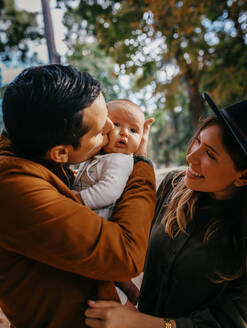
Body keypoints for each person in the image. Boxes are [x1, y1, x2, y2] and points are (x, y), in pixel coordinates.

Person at [0, 64, 156, 328]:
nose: (110, 129)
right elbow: (126, 255)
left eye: (106, 115)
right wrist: (138, 162)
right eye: (98, 132)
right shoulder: (14, 188)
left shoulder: (38, 152)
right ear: (60, 153)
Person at [84, 93, 247, 328]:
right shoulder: (172, 185)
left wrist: (141, 322)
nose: (191, 156)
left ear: (243, 176)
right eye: (198, 141)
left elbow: (226, 323)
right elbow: (129, 234)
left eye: (210, 154)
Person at [73, 99, 145, 305]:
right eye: (116, 125)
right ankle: (128, 288)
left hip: (101, 225)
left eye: (133, 130)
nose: (124, 133)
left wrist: (80, 197)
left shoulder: (120, 160)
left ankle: (123, 298)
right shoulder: (100, 157)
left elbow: (110, 190)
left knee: (103, 274)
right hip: (92, 224)